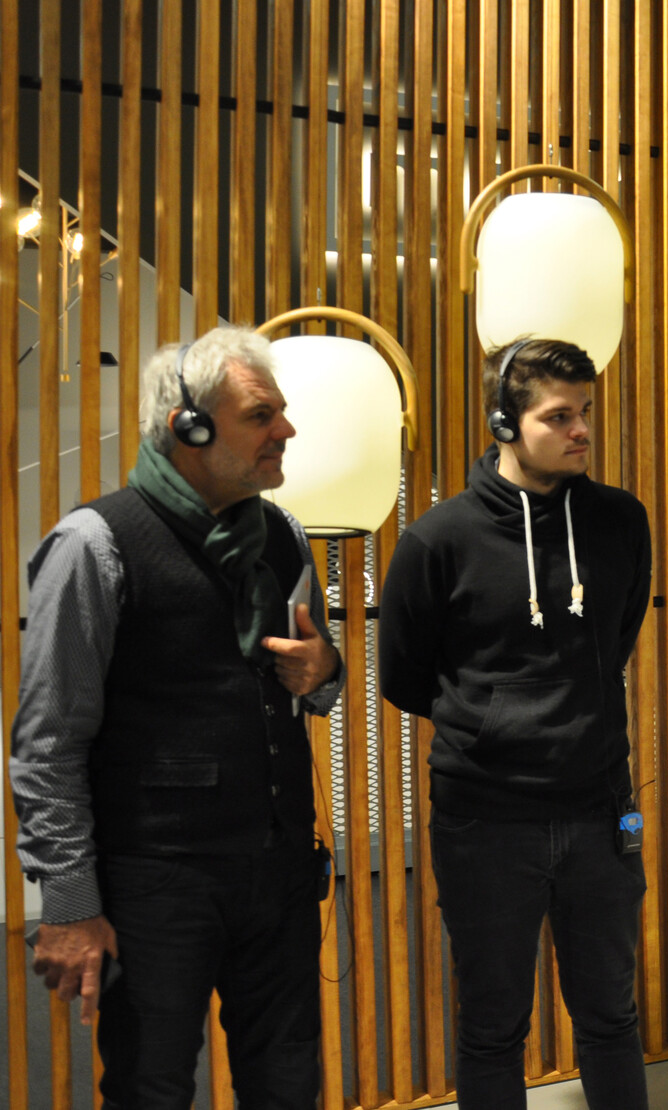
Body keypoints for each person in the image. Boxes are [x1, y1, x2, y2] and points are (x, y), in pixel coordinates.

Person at [10, 327, 344, 1110]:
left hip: (278, 873)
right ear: (187, 428)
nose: (286, 430)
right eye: (260, 415)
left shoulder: (285, 535)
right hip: (155, 883)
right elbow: (49, 743)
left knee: (289, 1084)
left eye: (281, 412)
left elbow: (317, 680)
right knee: (149, 1089)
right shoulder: (94, 544)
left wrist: (324, 670)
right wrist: (70, 904)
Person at [379, 338, 652, 1110]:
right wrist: (495, 723)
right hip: (485, 824)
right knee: (493, 1028)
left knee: (611, 1017)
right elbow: (404, 676)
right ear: (504, 423)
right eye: (558, 416)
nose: (582, 429)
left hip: (601, 813)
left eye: (586, 411)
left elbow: (615, 639)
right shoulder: (439, 539)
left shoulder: (620, 522)